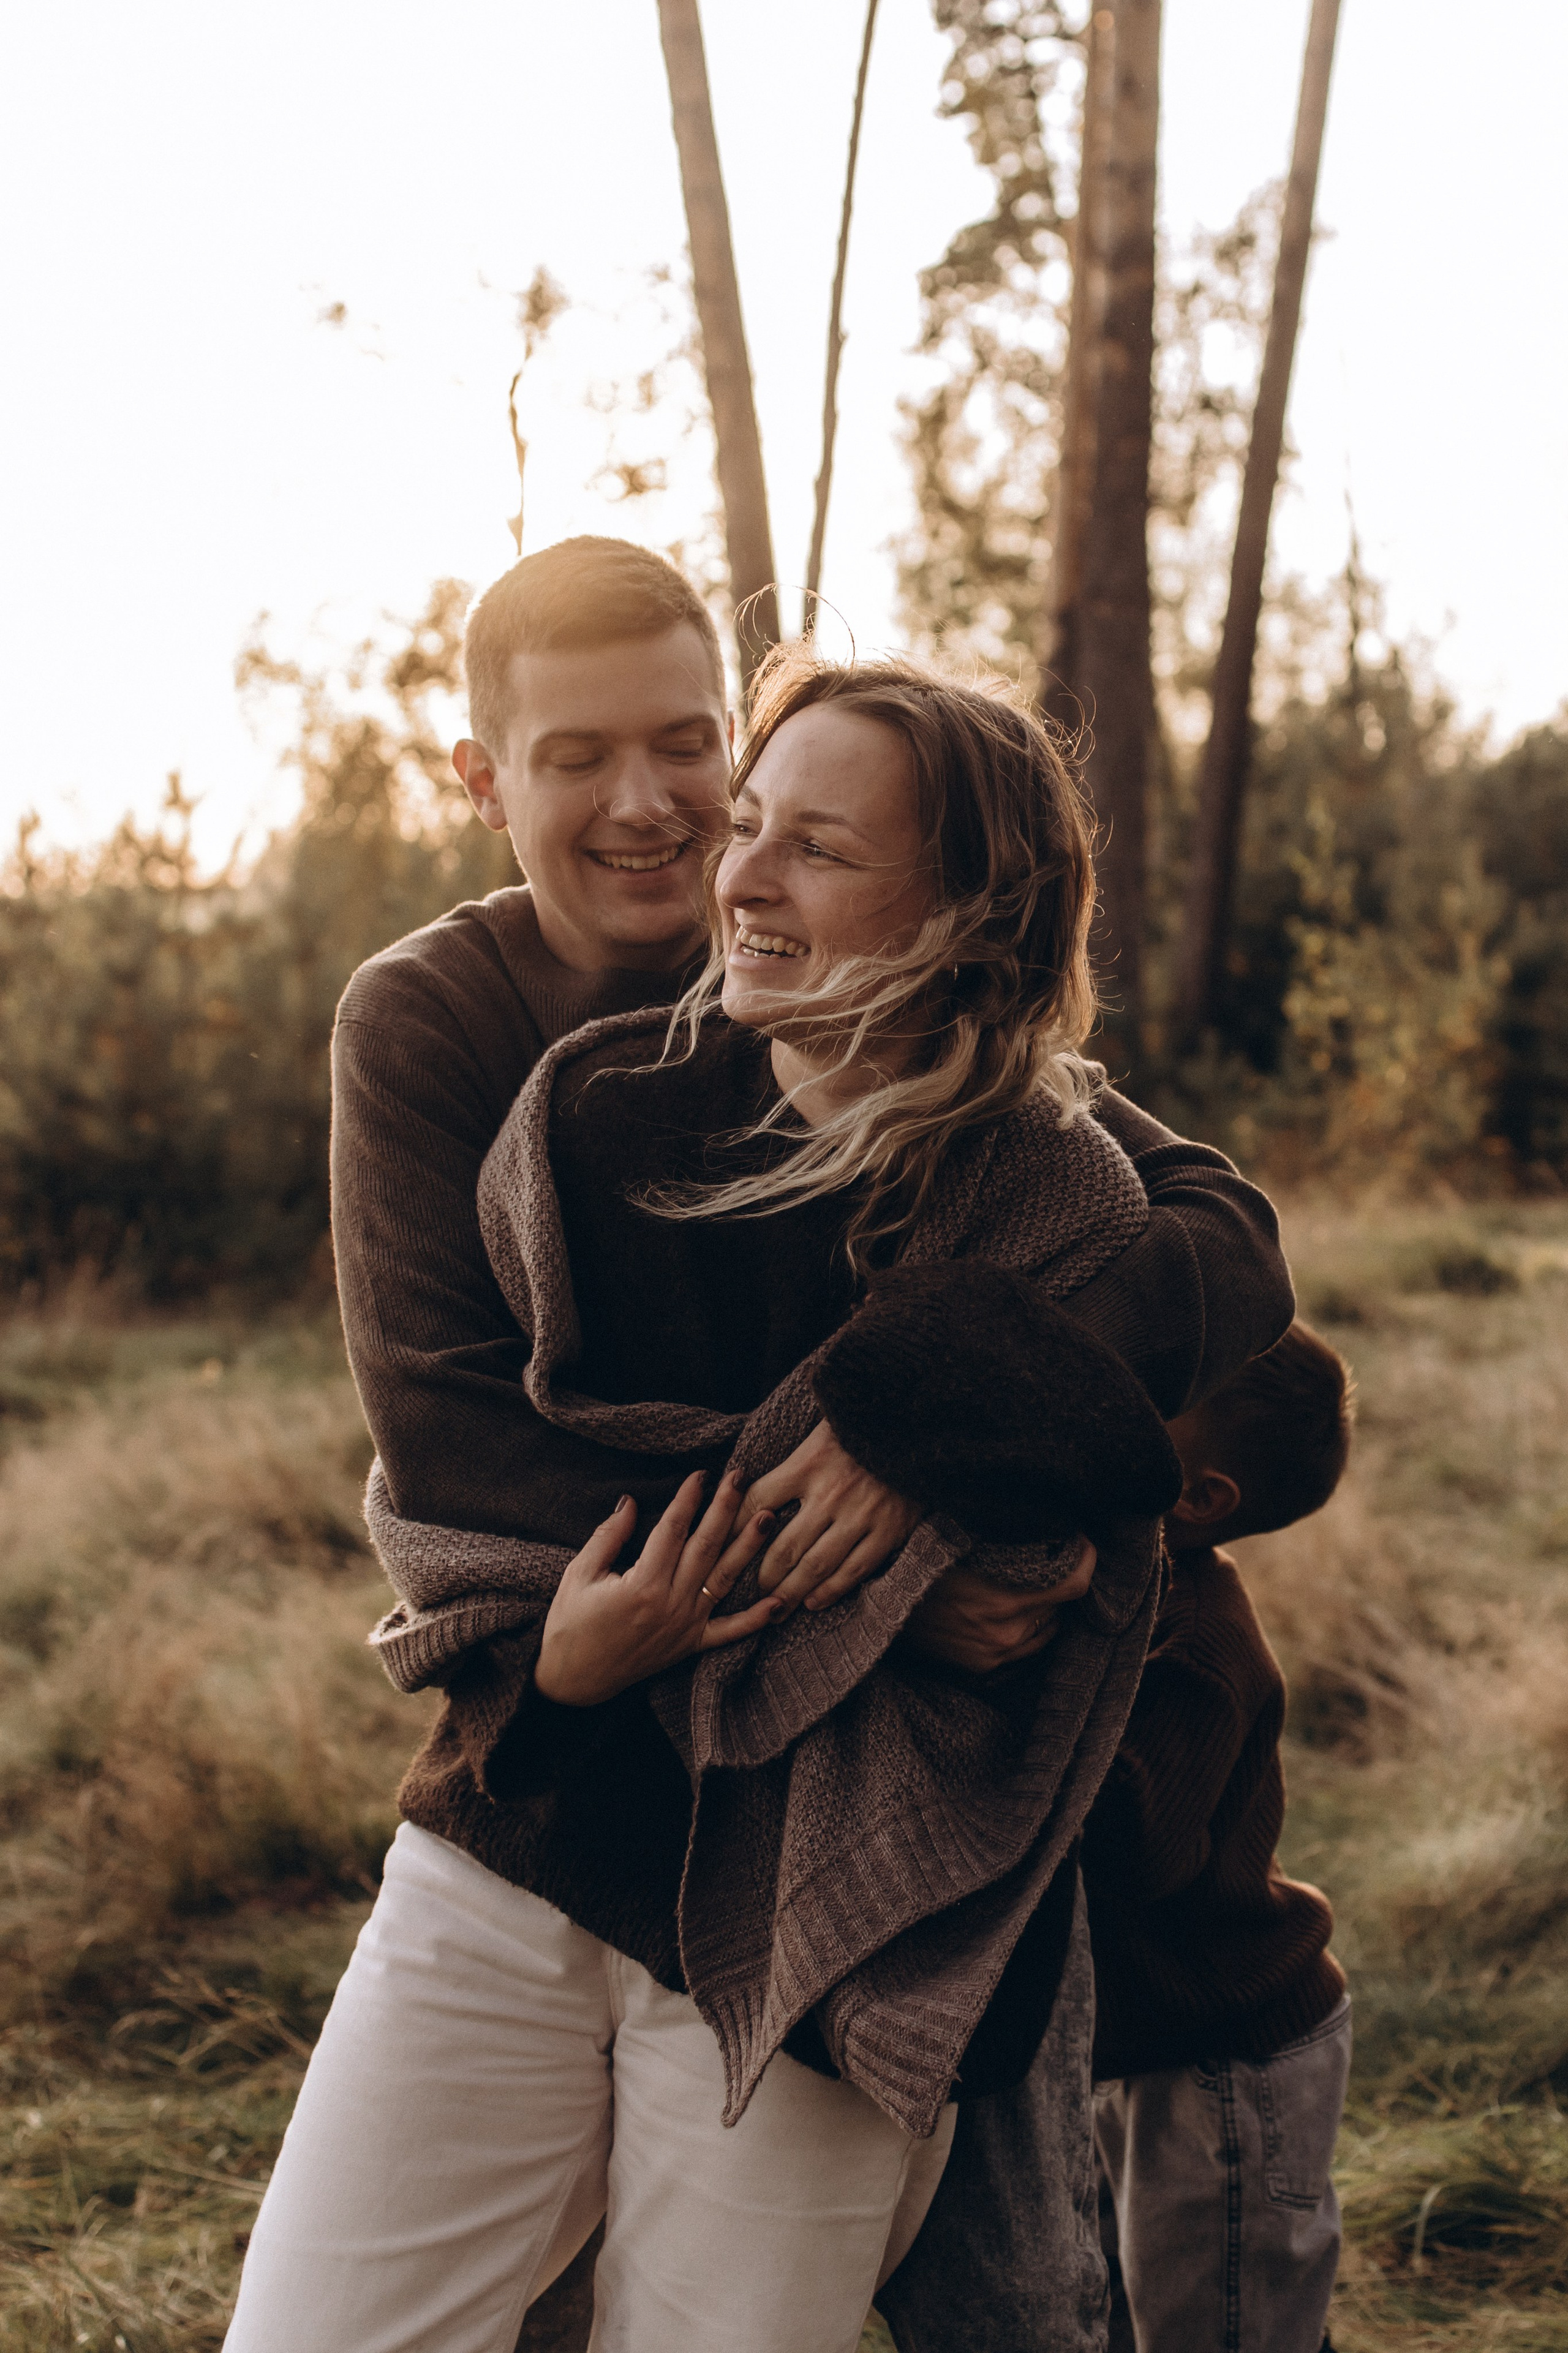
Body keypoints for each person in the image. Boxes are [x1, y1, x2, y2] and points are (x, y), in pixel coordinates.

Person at [227, 539, 1295, 2353]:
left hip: (855, 1848)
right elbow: (464, 1448)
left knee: (970, 2295)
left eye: (689, 748)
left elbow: (1214, 1244)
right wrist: (878, 1592)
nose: (660, 812)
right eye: (578, 758)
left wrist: (919, 1433)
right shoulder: (483, 1045)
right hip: (563, 1784)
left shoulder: (953, 1068)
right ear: (485, 781)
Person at [1085, 1320, 1354, 2353]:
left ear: (1198, 1498)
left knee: (1223, 2324)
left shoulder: (1195, 1644)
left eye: (1149, 1401)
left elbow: (1135, 1849)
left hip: (1222, 2067)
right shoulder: (1129, 1578)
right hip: (1151, 2044)